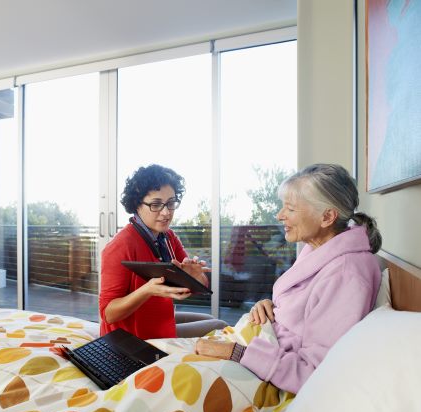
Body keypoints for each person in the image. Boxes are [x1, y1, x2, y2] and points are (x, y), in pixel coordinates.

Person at [195, 163, 382, 394]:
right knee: (156, 358)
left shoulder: (347, 273)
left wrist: (236, 353)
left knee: (164, 383)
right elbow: (303, 310)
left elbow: (315, 372)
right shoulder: (320, 249)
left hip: (266, 372)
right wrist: (271, 307)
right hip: (257, 347)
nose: (280, 215)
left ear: (327, 216)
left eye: (290, 209)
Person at [99, 164, 228, 339]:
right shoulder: (120, 246)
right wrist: (147, 291)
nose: (166, 212)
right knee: (220, 326)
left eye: (170, 203)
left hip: (156, 319)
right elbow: (108, 314)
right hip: (133, 338)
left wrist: (195, 278)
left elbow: (198, 286)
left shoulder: (168, 237)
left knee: (210, 319)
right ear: (137, 205)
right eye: (156, 204)